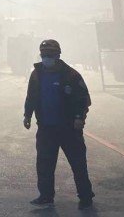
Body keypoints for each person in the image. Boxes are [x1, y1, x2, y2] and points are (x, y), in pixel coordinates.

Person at [24, 39, 94, 210]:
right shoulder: (37, 74)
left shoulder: (71, 75)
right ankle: (46, 196)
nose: (46, 58)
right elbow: (31, 96)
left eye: (50, 55)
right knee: (44, 164)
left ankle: (85, 196)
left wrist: (79, 118)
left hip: (69, 129)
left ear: (58, 55)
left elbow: (83, 99)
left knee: (78, 163)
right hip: (46, 128)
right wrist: (27, 115)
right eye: (44, 55)